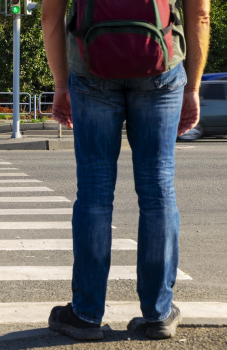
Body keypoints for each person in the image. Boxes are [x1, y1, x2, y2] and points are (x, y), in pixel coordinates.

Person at [41, 0, 210, 341]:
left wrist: (61, 84)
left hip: (91, 69)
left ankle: (86, 314)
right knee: (158, 189)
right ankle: (158, 313)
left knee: (94, 193)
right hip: (161, 66)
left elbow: (50, 16)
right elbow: (200, 14)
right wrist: (192, 88)